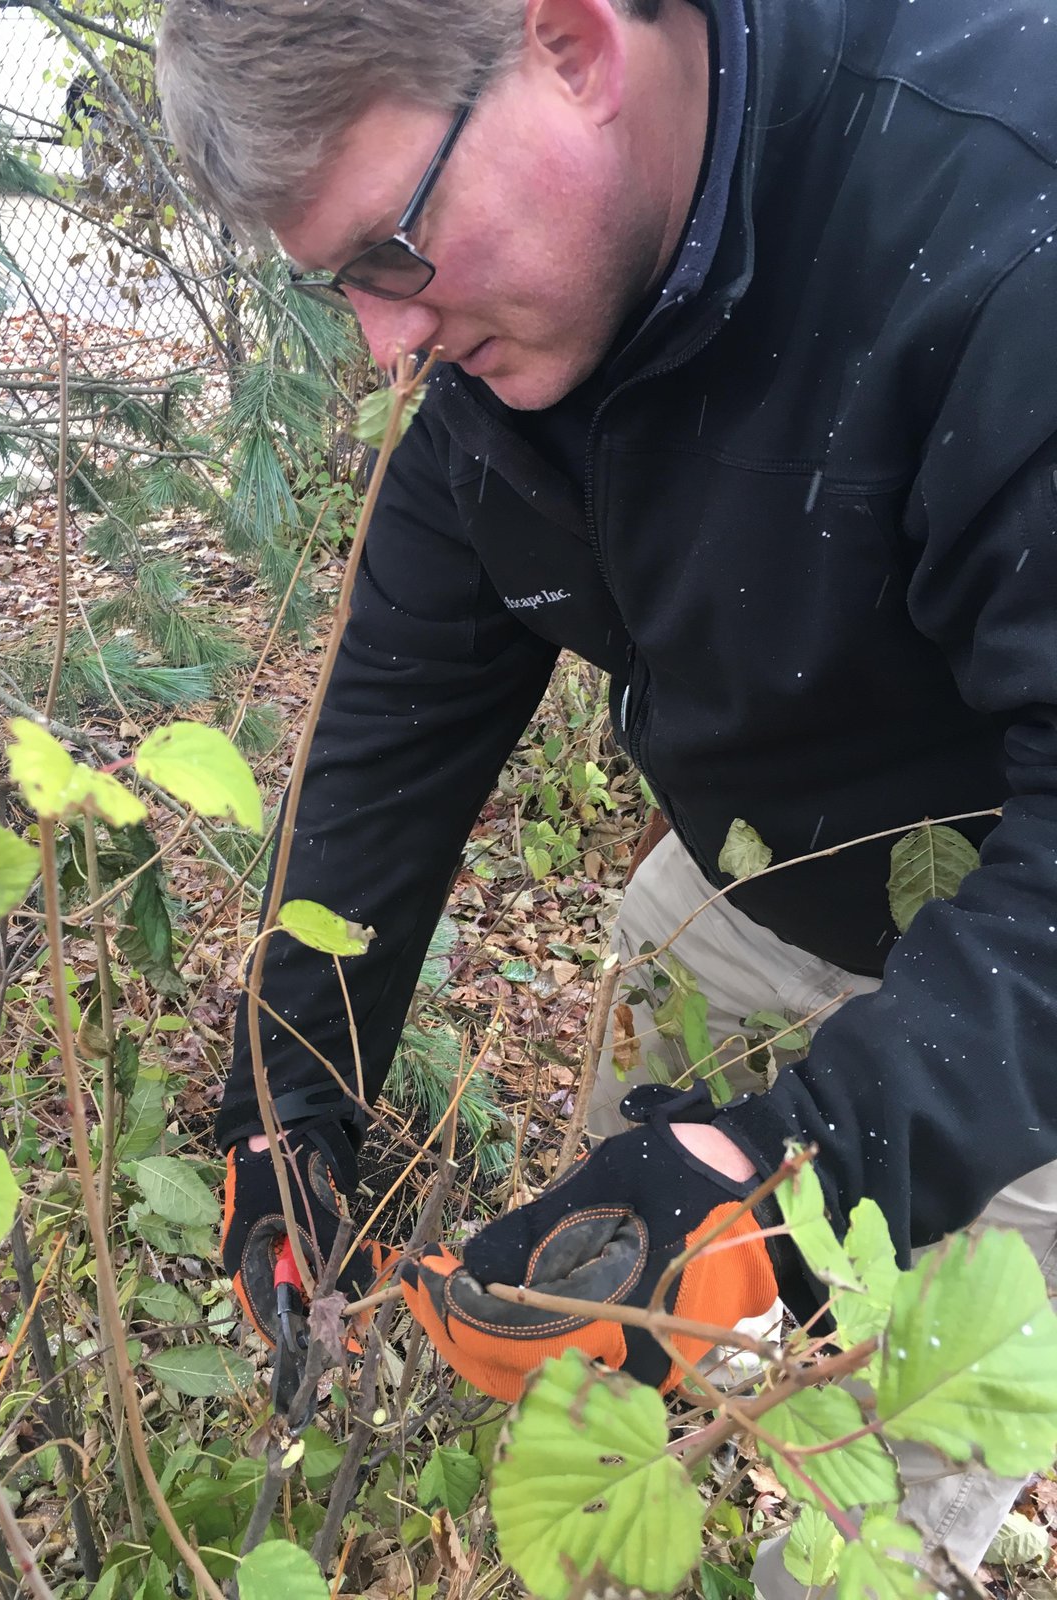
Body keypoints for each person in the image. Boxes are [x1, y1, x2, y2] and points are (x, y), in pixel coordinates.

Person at [157, 0, 1057, 1588]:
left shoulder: (1001, 215)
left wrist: (807, 1173)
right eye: (340, 286)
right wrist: (287, 1090)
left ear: (571, 45)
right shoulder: (514, 324)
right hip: (736, 896)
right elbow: (397, 727)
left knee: (855, 1546)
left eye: (389, 253)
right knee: (599, 1416)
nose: (383, 339)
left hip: (1014, 996)